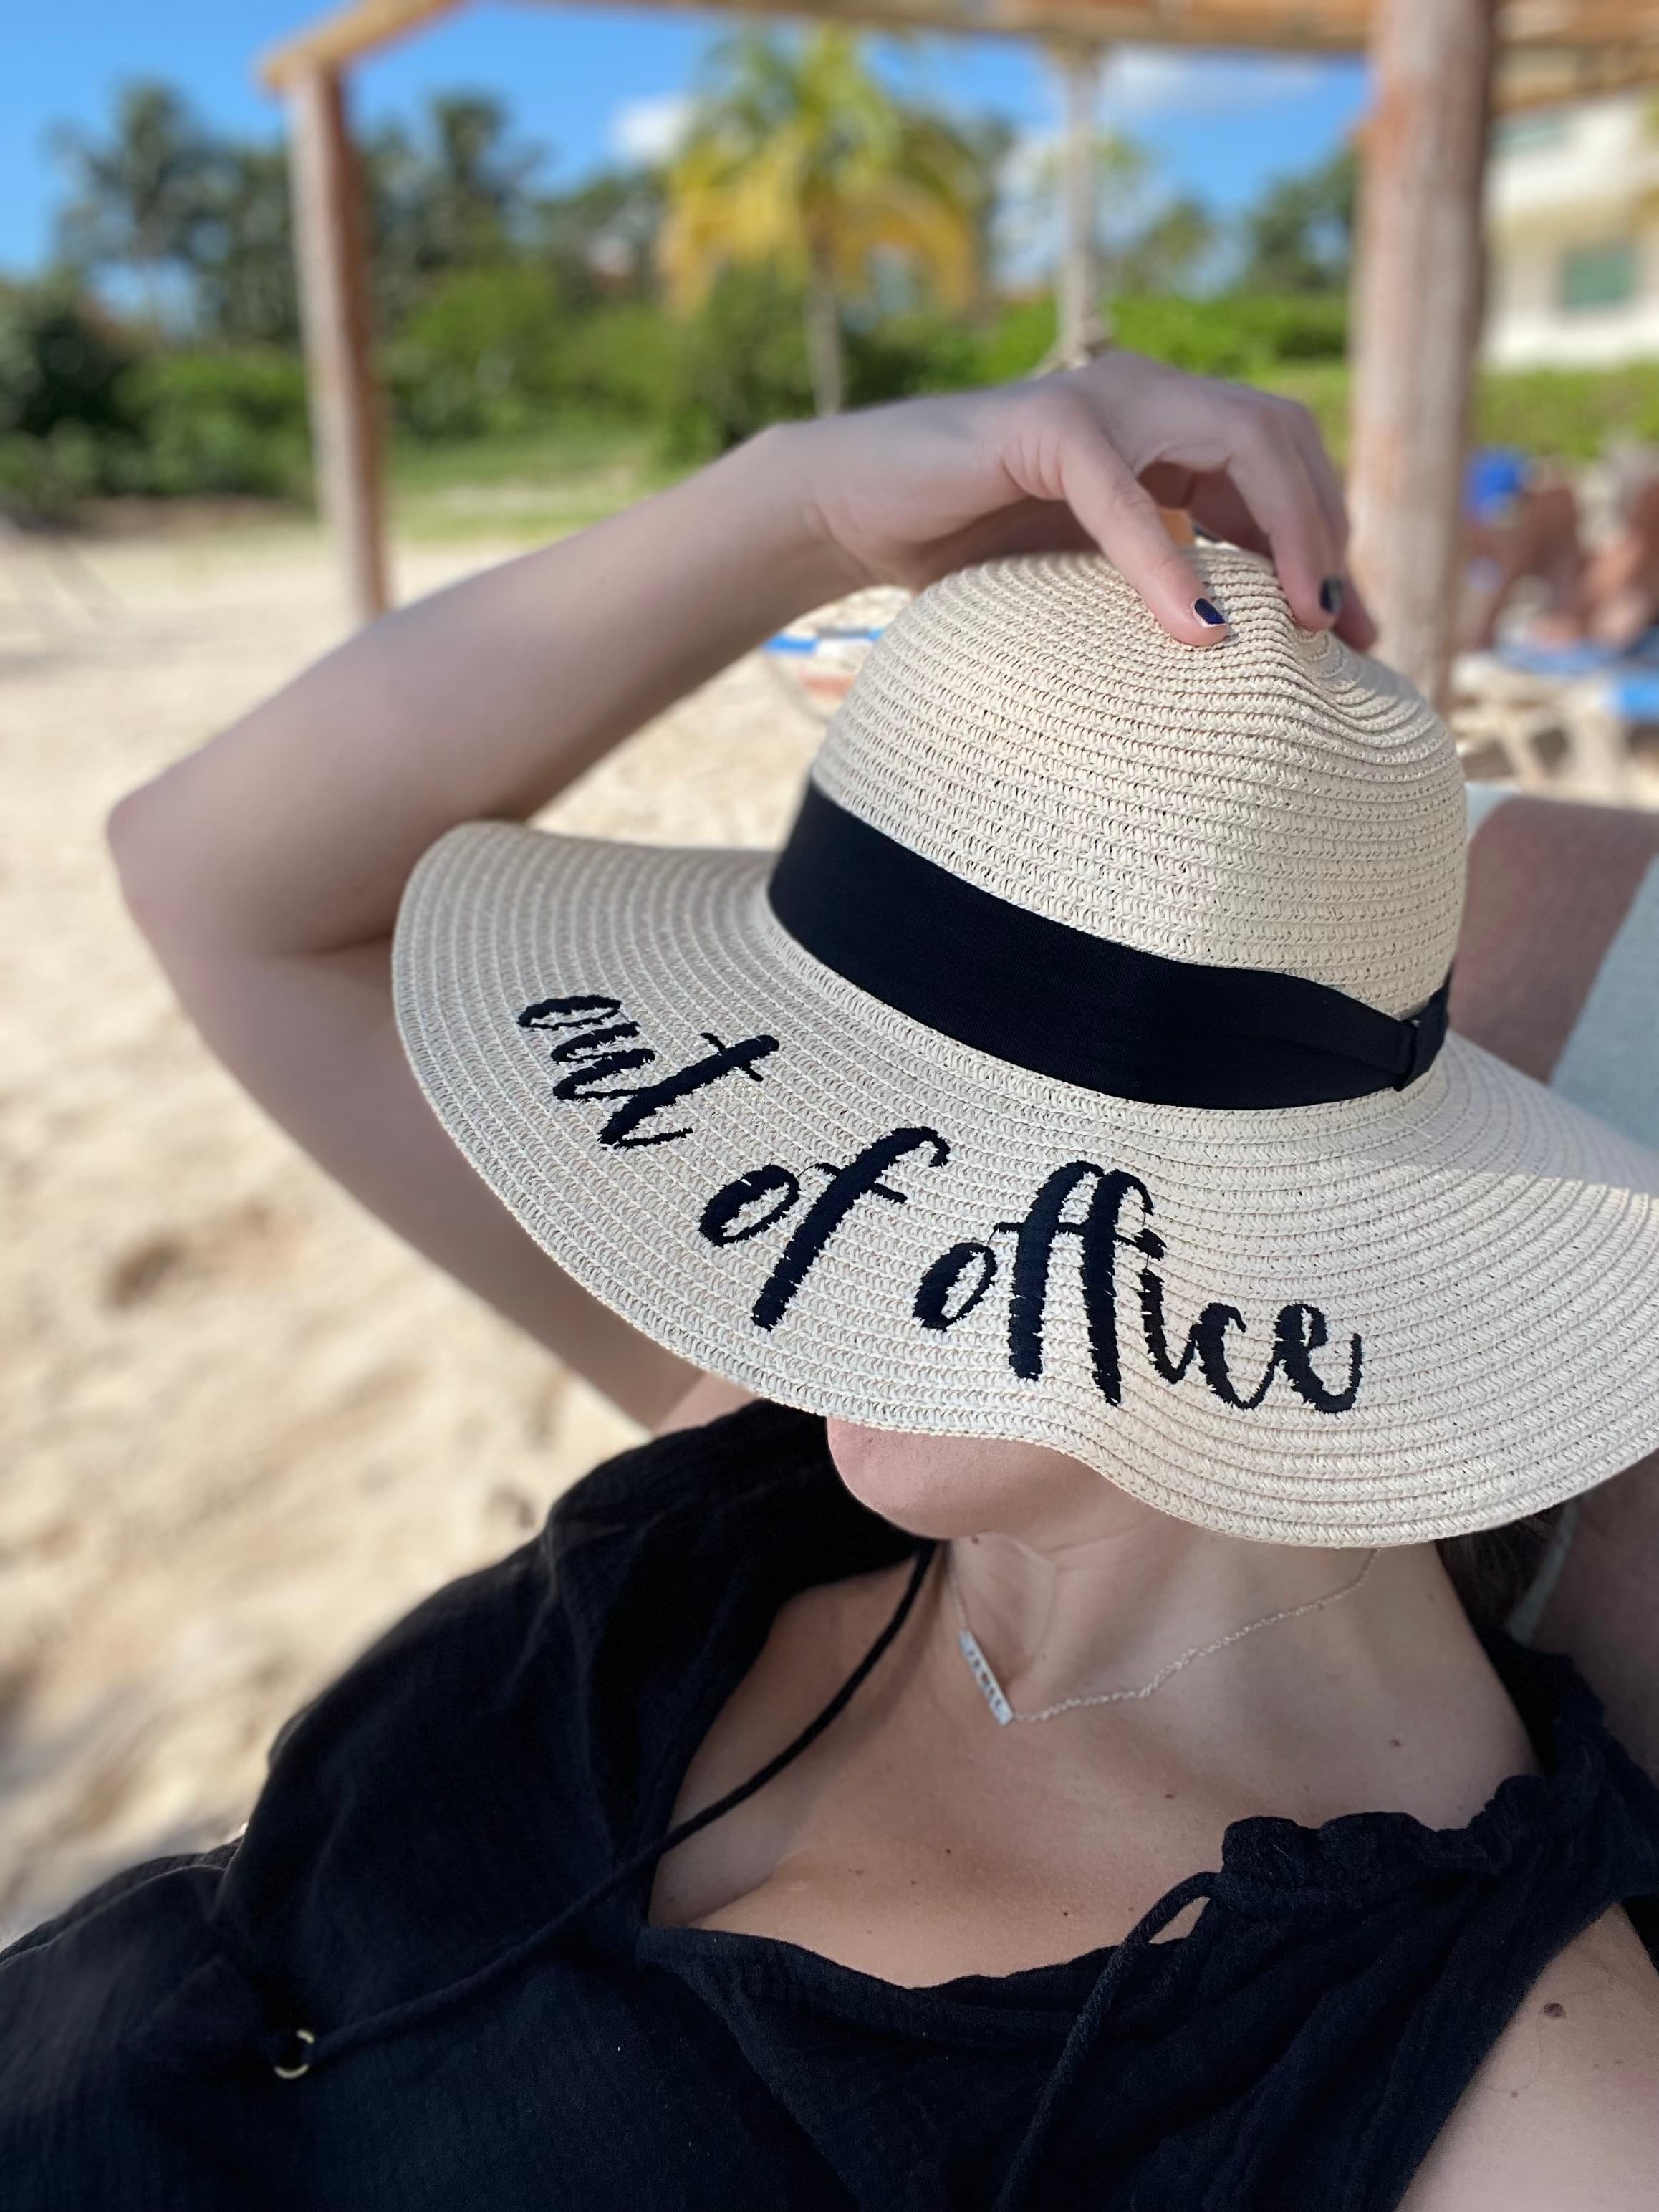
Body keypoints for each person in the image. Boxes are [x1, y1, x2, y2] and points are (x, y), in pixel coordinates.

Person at [6, 353, 1659, 2211]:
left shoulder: (1512, 2107)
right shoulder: (786, 1420)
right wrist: (792, 505)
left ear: (1298, 1219)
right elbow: (208, 874)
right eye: (828, 1120)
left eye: (930, 1160)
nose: (824, 1227)